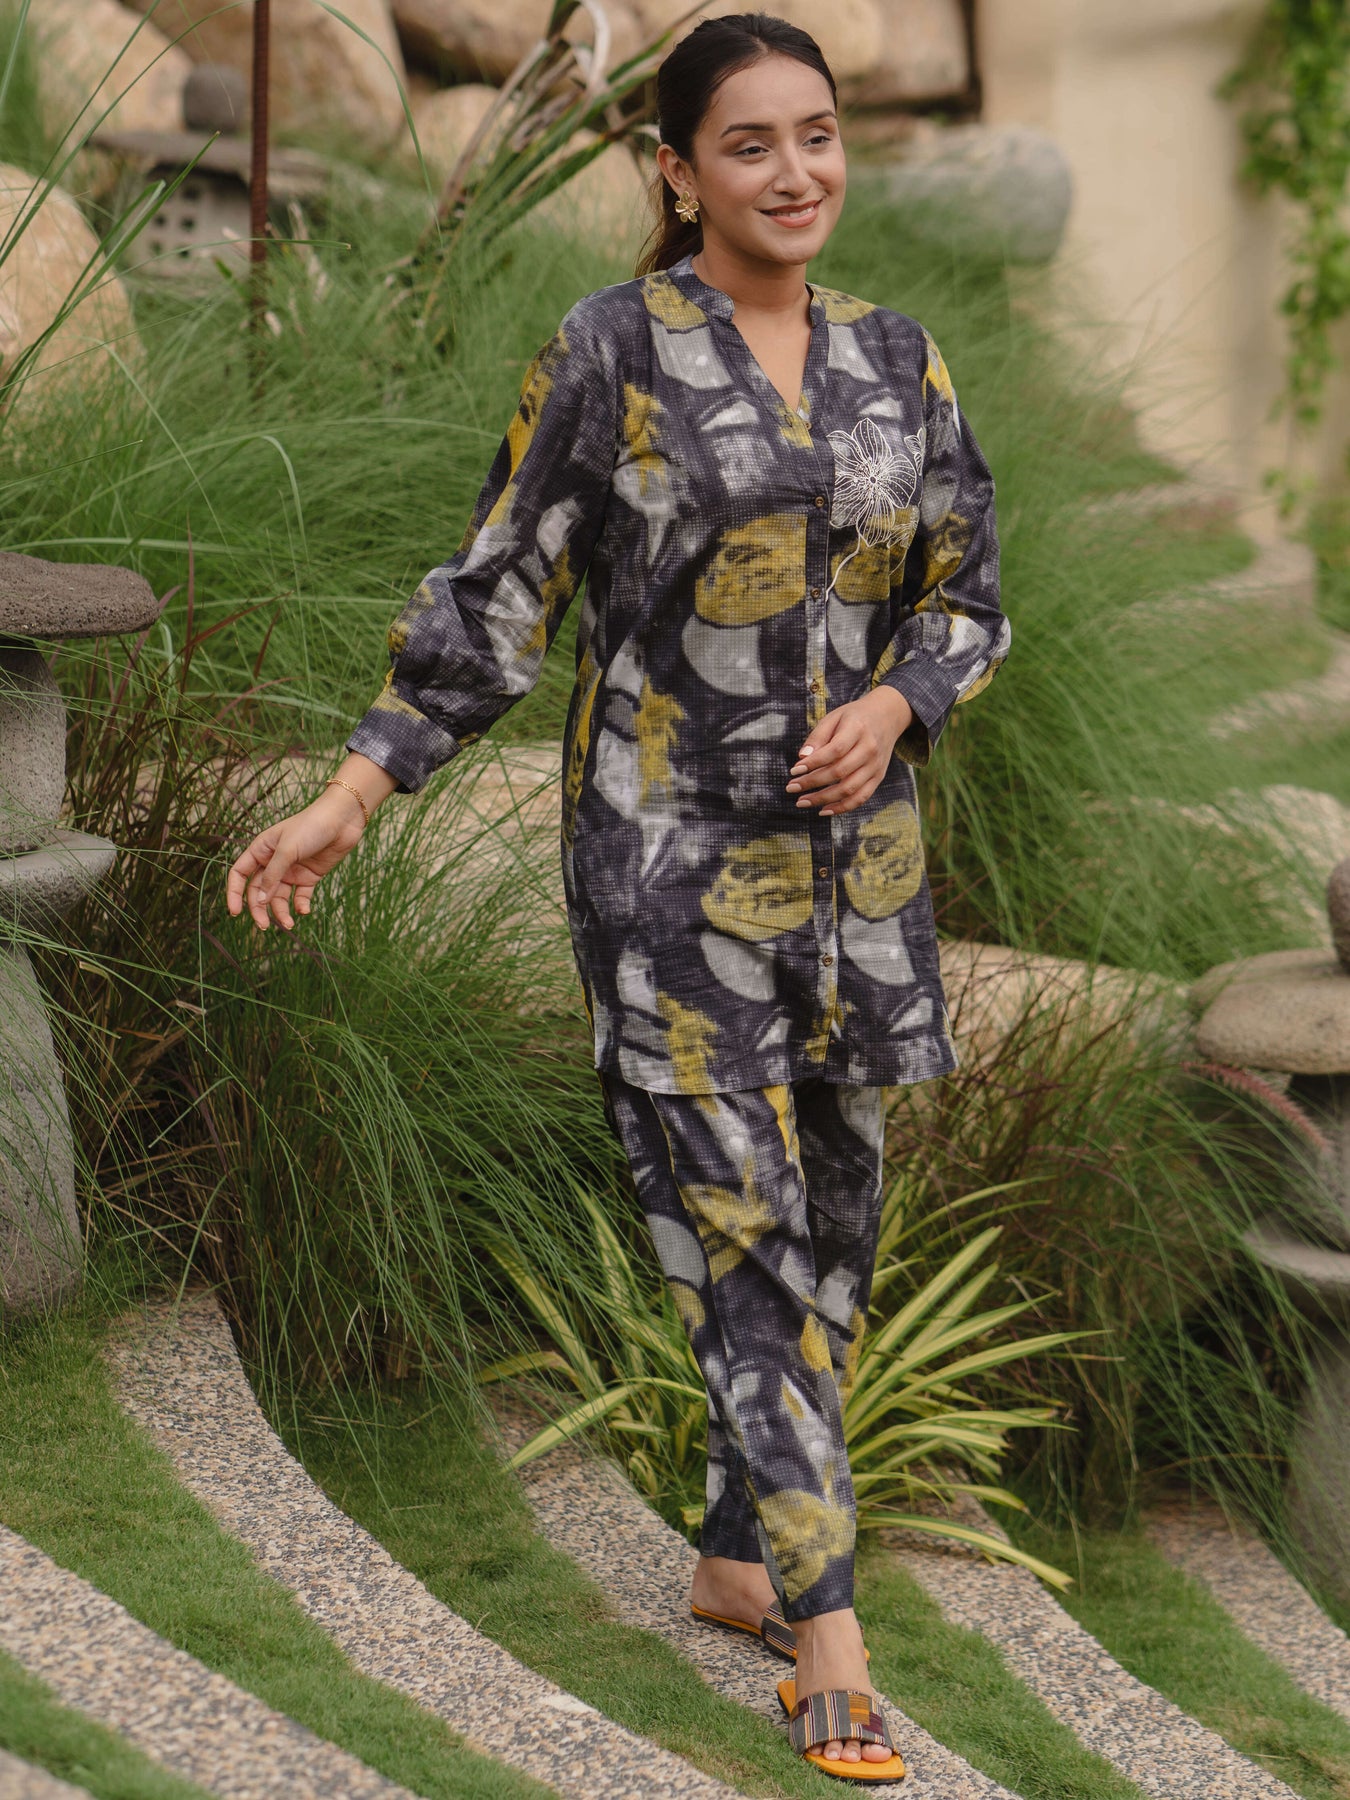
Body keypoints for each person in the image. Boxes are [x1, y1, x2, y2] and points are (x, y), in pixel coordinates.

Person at [226, 10, 1009, 1781]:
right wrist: (354, 791)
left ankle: (736, 1560)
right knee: (744, 1244)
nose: (793, 170)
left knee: (833, 1237)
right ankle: (828, 1641)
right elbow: (497, 594)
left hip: (861, 886)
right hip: (669, 877)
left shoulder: (898, 361)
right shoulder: (610, 351)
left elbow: (966, 599)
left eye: (815, 133)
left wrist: (898, 704)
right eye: (749, 144)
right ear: (676, 171)